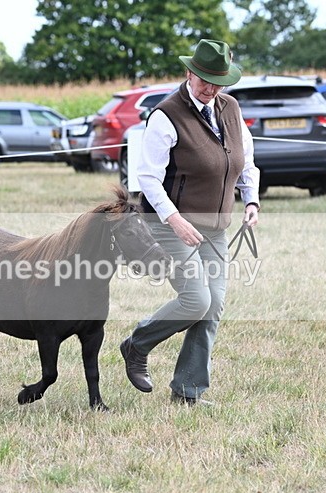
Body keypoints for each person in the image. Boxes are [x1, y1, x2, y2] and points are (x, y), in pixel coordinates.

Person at [119, 39, 260, 406]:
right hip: (170, 223)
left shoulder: (229, 107)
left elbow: (245, 161)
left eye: (218, 81)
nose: (210, 88)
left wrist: (251, 199)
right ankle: (137, 344)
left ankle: (188, 390)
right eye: (204, 80)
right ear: (189, 73)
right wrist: (175, 219)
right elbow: (148, 178)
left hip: (215, 225)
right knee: (196, 300)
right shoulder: (166, 115)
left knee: (213, 308)